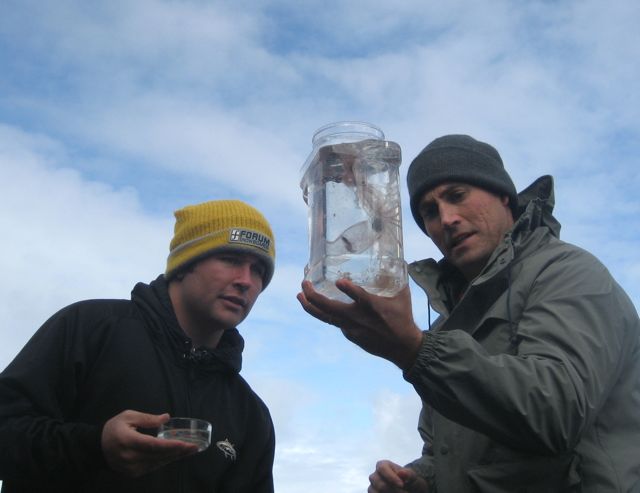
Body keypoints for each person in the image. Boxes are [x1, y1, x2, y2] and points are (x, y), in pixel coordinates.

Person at [297, 134, 640, 492]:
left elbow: (557, 414)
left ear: (503, 195)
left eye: (457, 196)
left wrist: (414, 350)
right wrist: (420, 481)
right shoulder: (448, 323)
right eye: (429, 211)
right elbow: (448, 453)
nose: (446, 219)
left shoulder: (569, 272)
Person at [0, 199, 277, 492]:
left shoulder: (250, 413)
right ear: (185, 263)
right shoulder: (90, 328)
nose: (246, 281)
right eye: (231, 259)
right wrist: (95, 446)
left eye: (259, 270)